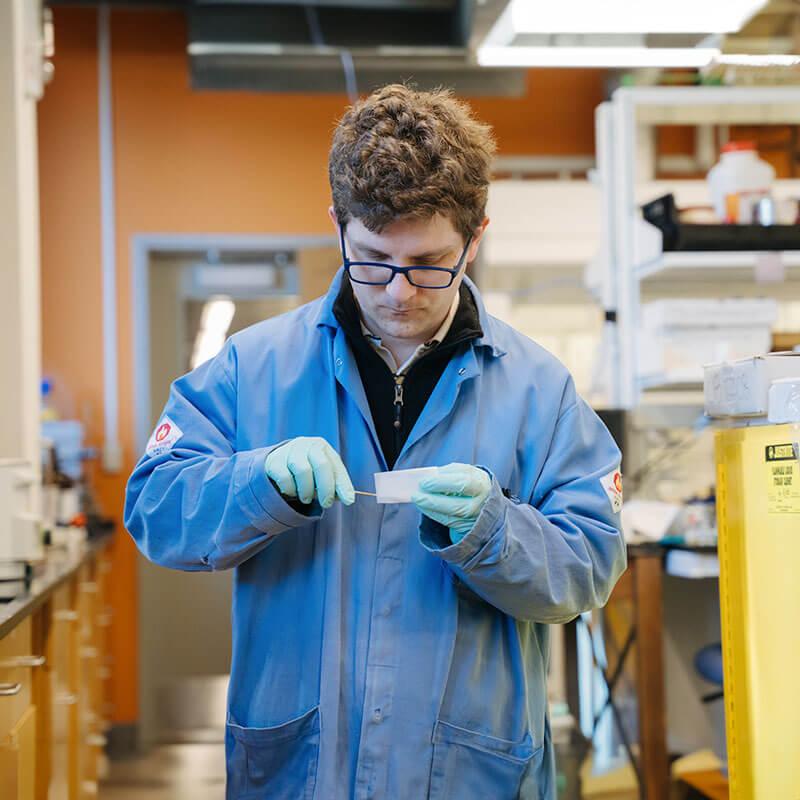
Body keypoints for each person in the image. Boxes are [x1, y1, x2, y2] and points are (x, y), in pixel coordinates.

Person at [124, 84, 626, 800]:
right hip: (301, 771)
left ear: (475, 237)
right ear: (338, 228)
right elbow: (155, 508)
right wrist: (257, 483)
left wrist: (496, 531)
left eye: (428, 263)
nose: (396, 292)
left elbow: (590, 565)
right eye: (371, 260)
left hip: (469, 774)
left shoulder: (539, 391)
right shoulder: (252, 366)